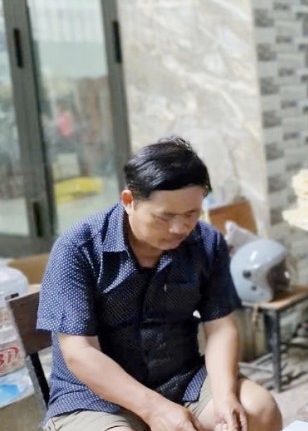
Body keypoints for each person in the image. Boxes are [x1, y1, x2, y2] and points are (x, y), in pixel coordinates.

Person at [37, 136, 282, 431]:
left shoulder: (206, 242)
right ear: (129, 201)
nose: (179, 228)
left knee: (259, 411)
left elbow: (220, 327)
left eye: (191, 214)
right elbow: (79, 353)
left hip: (181, 381)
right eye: (165, 217)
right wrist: (154, 409)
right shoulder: (78, 248)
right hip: (95, 398)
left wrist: (224, 395)